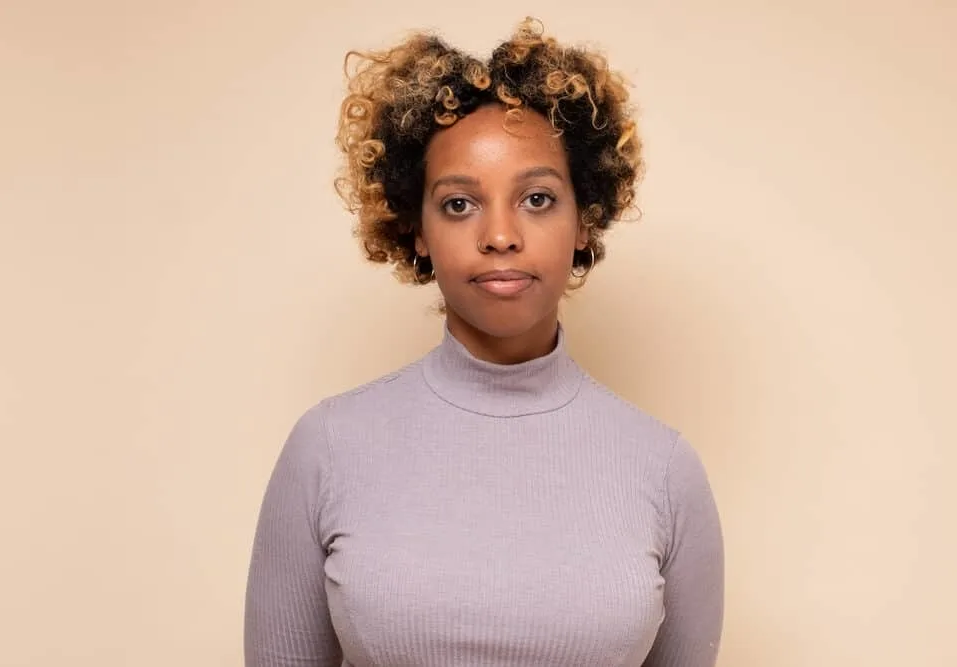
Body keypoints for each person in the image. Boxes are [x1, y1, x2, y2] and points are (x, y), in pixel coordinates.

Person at [244, 18, 724, 667]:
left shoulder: (665, 470)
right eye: (459, 205)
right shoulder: (327, 448)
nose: (500, 235)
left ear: (585, 219)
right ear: (416, 228)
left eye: (536, 198)